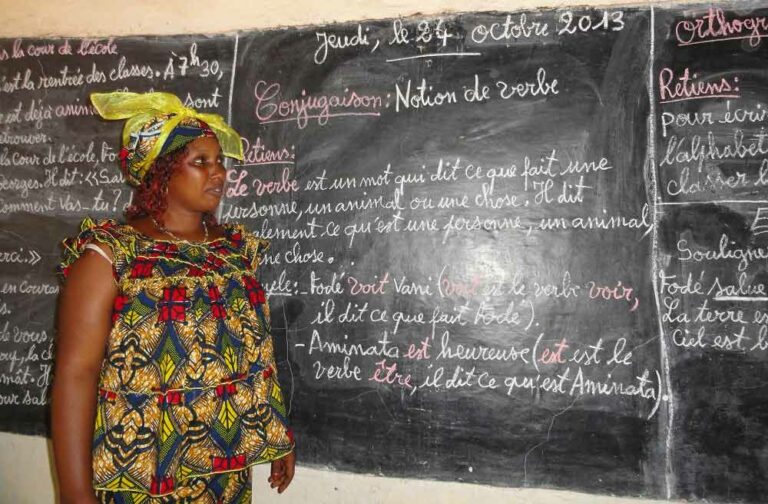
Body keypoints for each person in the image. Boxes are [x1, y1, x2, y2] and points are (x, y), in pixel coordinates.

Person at [52, 91, 295, 504]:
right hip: (142, 472)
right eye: (200, 162)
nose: (218, 173)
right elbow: (77, 373)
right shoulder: (113, 254)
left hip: (224, 466)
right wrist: (75, 494)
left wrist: (276, 432)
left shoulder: (233, 252)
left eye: (220, 161)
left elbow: (251, 353)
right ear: (161, 172)